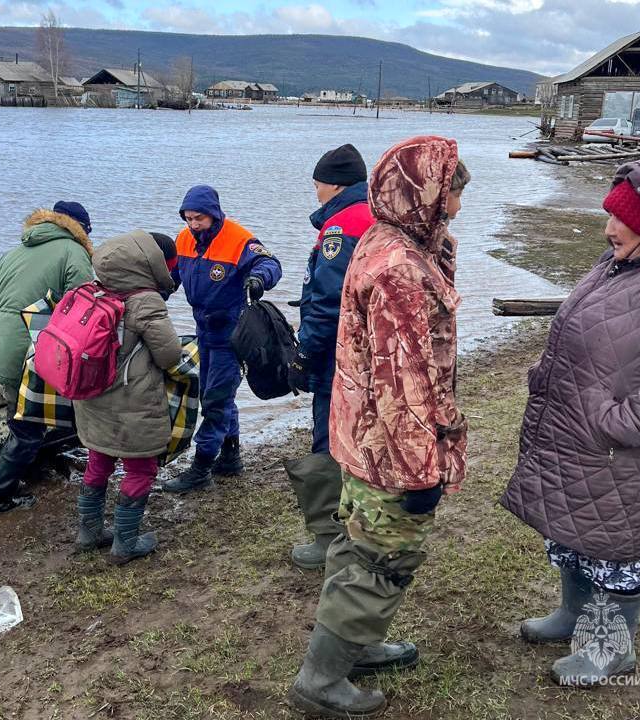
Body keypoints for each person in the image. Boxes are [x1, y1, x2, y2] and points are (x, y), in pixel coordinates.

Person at [288, 136, 470, 718]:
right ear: (424, 194)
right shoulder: (398, 268)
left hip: (365, 437)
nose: (457, 208)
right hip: (392, 447)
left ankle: (357, 647)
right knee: (383, 555)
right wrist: (421, 472)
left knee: (356, 542)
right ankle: (320, 681)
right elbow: (404, 380)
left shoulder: (384, 242)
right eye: (452, 194)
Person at [502, 150, 640, 687]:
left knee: (616, 547)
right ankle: (573, 617)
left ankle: (610, 650)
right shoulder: (621, 261)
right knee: (575, 531)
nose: (608, 228)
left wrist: (616, 423)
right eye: (609, 215)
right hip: (582, 437)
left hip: (626, 448)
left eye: (623, 220)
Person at [285, 143, 376, 570]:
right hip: (370, 355)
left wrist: (305, 351)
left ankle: (329, 538)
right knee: (361, 438)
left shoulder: (342, 226)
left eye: (317, 184)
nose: (316, 192)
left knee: (328, 441)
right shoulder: (378, 217)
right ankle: (365, 528)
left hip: (338, 356)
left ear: (334, 184)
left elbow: (327, 301)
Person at [72, 230, 182, 564]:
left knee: (99, 459)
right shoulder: (144, 300)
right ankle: (125, 543)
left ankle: (88, 533)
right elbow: (170, 355)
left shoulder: (93, 290)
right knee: (141, 469)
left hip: (92, 397)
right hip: (130, 402)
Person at [163, 185, 282, 492]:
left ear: (213, 215)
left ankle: (201, 467)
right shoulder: (184, 240)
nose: (193, 224)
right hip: (204, 329)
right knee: (217, 395)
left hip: (232, 332)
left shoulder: (238, 239)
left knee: (215, 399)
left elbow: (271, 264)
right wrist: (156, 291)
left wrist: (258, 279)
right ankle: (230, 456)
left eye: (198, 218)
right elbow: (174, 275)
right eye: (188, 218)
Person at [0, 201, 94, 516]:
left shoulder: (12, 253)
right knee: (28, 430)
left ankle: (10, 476)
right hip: (31, 351)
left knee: (18, 418)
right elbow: (82, 311)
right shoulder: (74, 253)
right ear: (81, 229)